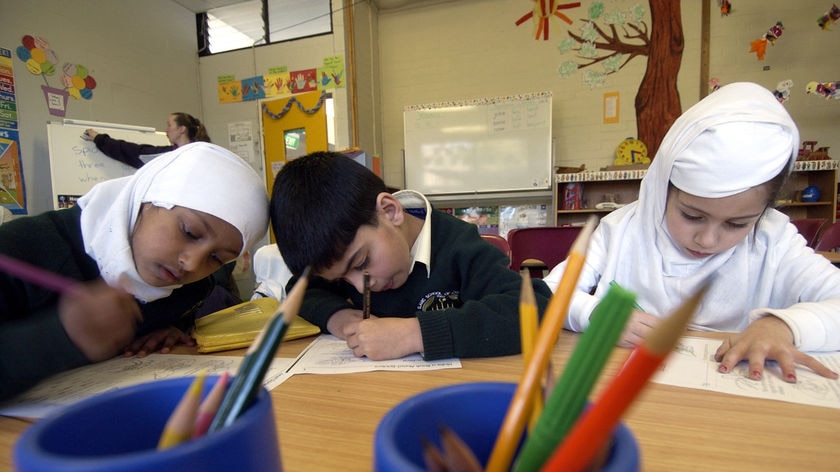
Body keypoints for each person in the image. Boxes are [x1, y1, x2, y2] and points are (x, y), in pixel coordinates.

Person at [543, 82, 840, 383]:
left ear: (762, 212)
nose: (708, 240)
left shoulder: (772, 238)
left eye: (737, 224)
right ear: (663, 190)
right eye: (692, 215)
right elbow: (549, 293)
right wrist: (597, 315)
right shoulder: (620, 230)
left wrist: (784, 326)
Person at [0, 142, 268, 401]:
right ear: (147, 197)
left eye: (216, 258)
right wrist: (62, 335)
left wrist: (175, 328)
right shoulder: (20, 249)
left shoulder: (191, 288)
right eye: (189, 232)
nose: (193, 264)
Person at [270, 151, 553, 361]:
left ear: (390, 211)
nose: (358, 285)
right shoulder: (344, 250)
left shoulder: (459, 246)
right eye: (343, 277)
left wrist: (415, 334)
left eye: (361, 263)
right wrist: (339, 317)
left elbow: (535, 309)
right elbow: (301, 289)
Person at [81, 112, 211, 169]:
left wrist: (99, 138)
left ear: (182, 129)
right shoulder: (207, 153)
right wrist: (99, 139)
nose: (166, 130)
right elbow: (133, 151)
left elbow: (131, 152)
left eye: (169, 125)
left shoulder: (168, 157)